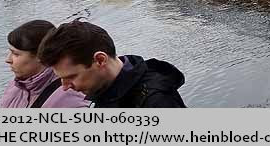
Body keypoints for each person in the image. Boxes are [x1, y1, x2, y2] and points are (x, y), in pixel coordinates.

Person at [37, 20, 186, 108]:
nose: (64, 87)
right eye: (61, 78)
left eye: (71, 76)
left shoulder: (157, 101)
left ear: (100, 60)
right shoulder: (105, 91)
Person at [0, 20, 88, 108]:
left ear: (40, 55)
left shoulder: (69, 96)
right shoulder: (15, 86)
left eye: (15, 54)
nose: (8, 60)